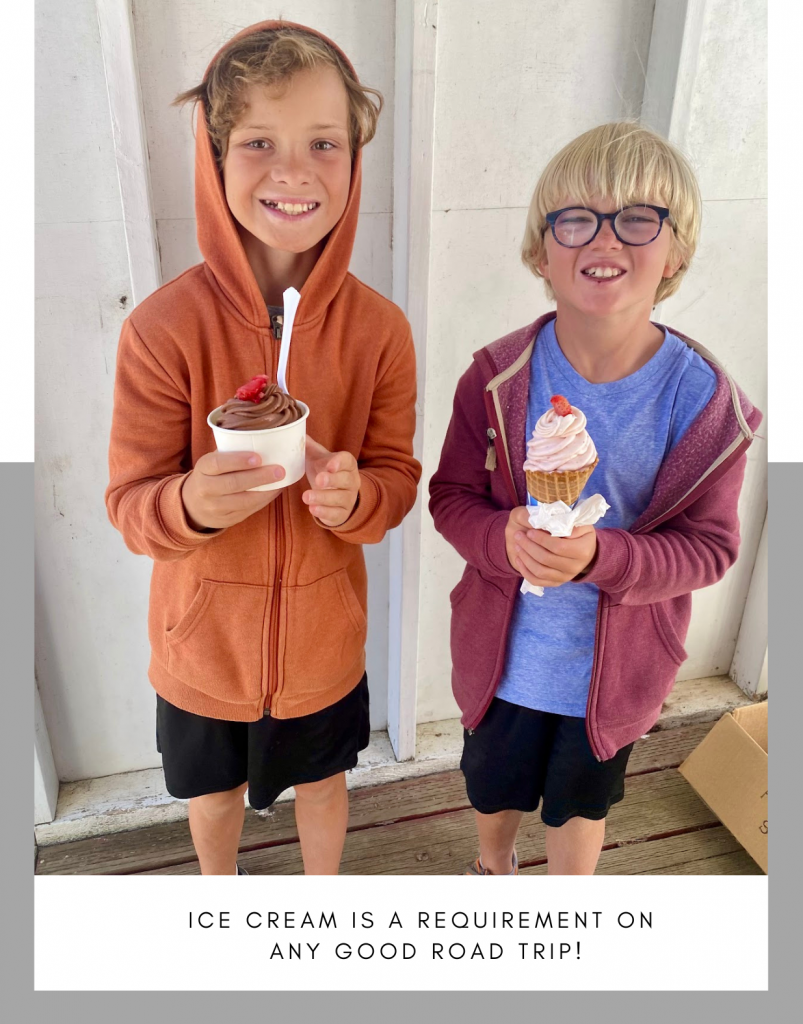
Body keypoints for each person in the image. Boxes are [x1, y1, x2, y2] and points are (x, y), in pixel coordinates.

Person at [105, 21, 420, 875]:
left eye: (324, 141)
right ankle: (222, 898)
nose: (293, 170)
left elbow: (397, 479)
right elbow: (130, 505)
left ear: (355, 159)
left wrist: (358, 500)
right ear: (212, 160)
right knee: (209, 796)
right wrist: (187, 506)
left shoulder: (380, 333)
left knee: (323, 785)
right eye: (257, 143)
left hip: (324, 645)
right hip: (201, 645)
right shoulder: (164, 330)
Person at [428, 122, 762, 876]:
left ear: (674, 251)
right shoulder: (494, 378)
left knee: (581, 804)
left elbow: (708, 549)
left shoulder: (706, 403)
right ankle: (493, 868)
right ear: (540, 251)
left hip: (615, 675)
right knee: (490, 784)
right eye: (574, 218)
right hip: (502, 659)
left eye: (638, 218)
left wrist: (599, 556)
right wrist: (498, 538)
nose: (603, 239)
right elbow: (450, 496)